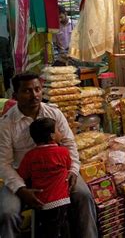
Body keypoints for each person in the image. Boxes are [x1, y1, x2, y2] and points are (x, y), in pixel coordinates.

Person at [0, 72, 98, 238]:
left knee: (84, 196)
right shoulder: (6, 124)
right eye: (27, 91)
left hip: (57, 173)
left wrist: (73, 171)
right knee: (7, 213)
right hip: (22, 176)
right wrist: (21, 189)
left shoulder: (54, 113)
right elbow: (4, 163)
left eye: (37, 89)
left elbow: (69, 144)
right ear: (15, 95)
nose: (34, 95)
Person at [17, 118, 71, 238]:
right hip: (62, 200)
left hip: (40, 202)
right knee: (62, 228)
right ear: (52, 136)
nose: (60, 132)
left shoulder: (29, 156)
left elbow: (23, 175)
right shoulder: (63, 152)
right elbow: (68, 167)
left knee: (46, 230)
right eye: (58, 130)